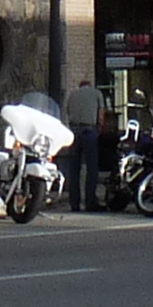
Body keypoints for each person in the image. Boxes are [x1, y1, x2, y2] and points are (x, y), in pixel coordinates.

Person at [62, 77, 106, 212]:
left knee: (74, 169)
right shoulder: (97, 93)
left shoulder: (72, 95)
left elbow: (67, 112)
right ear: (90, 85)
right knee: (91, 168)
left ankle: (74, 203)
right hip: (89, 131)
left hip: (74, 132)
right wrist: (99, 128)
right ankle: (90, 202)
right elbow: (101, 114)